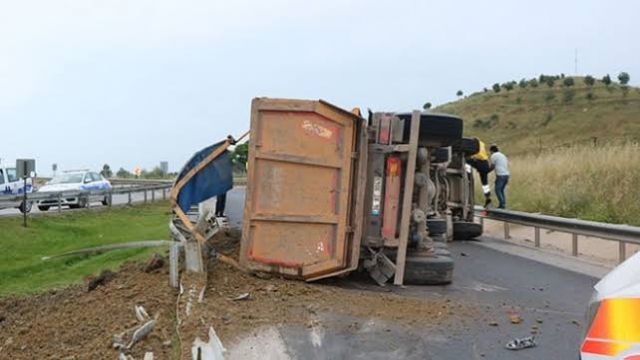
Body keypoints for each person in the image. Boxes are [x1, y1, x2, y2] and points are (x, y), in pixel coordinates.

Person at [466, 138, 493, 208]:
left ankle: (468, 174)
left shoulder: (474, 144)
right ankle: (488, 199)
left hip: (479, 162)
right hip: (485, 164)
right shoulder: (482, 144)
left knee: (467, 161)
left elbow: (473, 154)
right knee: (485, 184)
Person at [489, 144, 509, 209]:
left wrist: (486, 171)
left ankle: (502, 205)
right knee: (501, 190)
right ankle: (503, 204)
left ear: (492, 150)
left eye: (490, 151)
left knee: (497, 190)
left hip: (500, 175)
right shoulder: (503, 155)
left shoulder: (494, 155)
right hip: (506, 175)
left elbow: (492, 166)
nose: (490, 153)